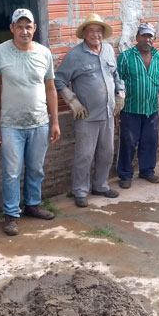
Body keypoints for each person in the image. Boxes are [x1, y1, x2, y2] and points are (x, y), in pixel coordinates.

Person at [0, 8, 60, 236]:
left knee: (36, 168)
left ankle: (33, 205)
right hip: (10, 124)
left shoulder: (44, 53)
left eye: (29, 26)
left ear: (34, 28)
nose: (24, 31)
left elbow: (50, 89)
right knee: (11, 171)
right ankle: (11, 215)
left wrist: (55, 121)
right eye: (20, 26)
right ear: (12, 28)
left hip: (39, 122)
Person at [54, 13, 125, 208]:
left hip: (108, 114)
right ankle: (80, 191)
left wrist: (121, 92)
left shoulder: (109, 50)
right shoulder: (75, 55)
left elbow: (116, 74)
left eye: (99, 30)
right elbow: (58, 80)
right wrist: (72, 101)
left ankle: (100, 186)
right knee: (84, 155)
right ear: (84, 34)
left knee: (107, 152)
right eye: (91, 30)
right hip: (86, 116)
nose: (96, 34)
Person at [116, 22, 159, 189]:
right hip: (130, 110)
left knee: (150, 142)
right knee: (128, 143)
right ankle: (125, 175)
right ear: (137, 38)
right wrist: (117, 109)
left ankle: (147, 171)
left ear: (154, 39)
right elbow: (117, 83)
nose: (147, 39)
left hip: (151, 110)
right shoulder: (125, 57)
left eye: (150, 36)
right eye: (144, 35)